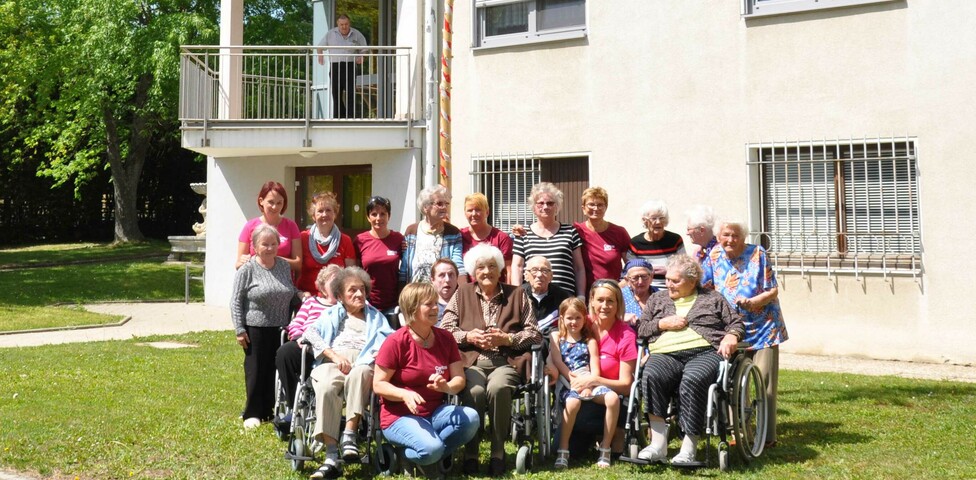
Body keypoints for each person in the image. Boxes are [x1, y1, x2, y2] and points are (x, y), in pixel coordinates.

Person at [439, 244, 542, 476]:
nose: (487, 272)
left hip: (506, 362)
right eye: (481, 267)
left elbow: (535, 333)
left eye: (492, 266)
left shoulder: (517, 294)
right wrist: (468, 336)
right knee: (473, 391)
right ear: (474, 271)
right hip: (471, 362)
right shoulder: (462, 292)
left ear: (500, 270)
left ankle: (498, 452)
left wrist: (507, 339)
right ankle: (471, 453)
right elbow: (445, 329)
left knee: (498, 388)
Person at [636, 254, 744, 464]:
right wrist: (661, 324)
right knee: (652, 375)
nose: (669, 284)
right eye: (667, 279)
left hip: (704, 352)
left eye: (675, 281)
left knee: (693, 379)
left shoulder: (713, 298)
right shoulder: (657, 299)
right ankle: (658, 444)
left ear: (693, 281)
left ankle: (688, 447)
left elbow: (736, 323)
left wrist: (732, 335)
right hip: (665, 353)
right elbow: (641, 329)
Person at [373, 283, 480, 470]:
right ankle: (418, 454)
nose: (435, 308)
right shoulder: (396, 342)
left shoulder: (446, 338)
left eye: (435, 303)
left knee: (471, 418)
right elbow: (379, 384)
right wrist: (403, 394)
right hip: (399, 416)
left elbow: (459, 379)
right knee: (432, 448)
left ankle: (427, 454)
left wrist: (446, 387)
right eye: (428, 304)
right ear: (412, 309)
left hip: (435, 412)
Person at [701, 220, 788, 449]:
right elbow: (704, 286)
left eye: (735, 235)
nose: (730, 240)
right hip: (731, 329)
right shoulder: (714, 255)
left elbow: (772, 289)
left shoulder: (757, 254)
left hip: (764, 327)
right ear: (719, 237)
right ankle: (739, 433)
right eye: (725, 235)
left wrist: (753, 302)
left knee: (765, 381)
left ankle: (767, 436)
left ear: (743, 237)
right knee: (733, 381)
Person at [303, 267, 394, 479]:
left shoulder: (376, 317)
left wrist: (369, 357)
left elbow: (388, 342)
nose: (359, 294)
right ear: (340, 296)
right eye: (352, 290)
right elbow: (310, 333)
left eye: (362, 289)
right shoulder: (330, 314)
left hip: (363, 361)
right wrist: (334, 356)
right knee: (325, 386)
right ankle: (331, 456)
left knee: (360, 373)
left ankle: (349, 435)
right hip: (333, 360)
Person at [230, 224, 300, 429]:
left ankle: (269, 410)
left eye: (273, 243)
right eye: (265, 244)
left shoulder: (283, 266)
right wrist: (239, 329)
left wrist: (301, 295)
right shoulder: (247, 269)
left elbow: (289, 290)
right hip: (255, 327)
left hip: (282, 327)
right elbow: (236, 300)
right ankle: (252, 412)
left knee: (273, 369)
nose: (270, 248)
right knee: (255, 370)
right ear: (254, 246)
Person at [562, 279, 636, 467]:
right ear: (591, 301)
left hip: (612, 397)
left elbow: (626, 385)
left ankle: (608, 439)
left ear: (618, 303)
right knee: (573, 450)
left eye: (611, 301)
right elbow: (559, 340)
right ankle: (596, 437)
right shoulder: (580, 323)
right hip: (578, 396)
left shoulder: (625, 334)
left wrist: (594, 379)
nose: (605, 306)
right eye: (600, 300)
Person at [549, 298, 614, 469]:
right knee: (573, 401)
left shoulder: (589, 340)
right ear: (561, 318)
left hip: (589, 381)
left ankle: (605, 448)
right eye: (569, 318)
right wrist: (576, 384)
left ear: (585, 318)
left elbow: (595, 367)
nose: (573, 322)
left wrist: (590, 385)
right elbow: (558, 361)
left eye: (578, 317)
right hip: (568, 381)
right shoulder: (556, 337)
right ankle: (564, 450)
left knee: (613, 398)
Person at [274, 265, 341, 421]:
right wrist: (299, 338)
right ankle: (294, 406)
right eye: (334, 280)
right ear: (323, 288)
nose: (338, 283)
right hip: (306, 346)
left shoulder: (346, 305)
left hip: (334, 350)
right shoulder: (311, 302)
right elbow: (296, 323)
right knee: (285, 353)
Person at [511, 182, 587, 298]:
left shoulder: (570, 231)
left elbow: (579, 268)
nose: (545, 207)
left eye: (550, 203)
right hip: (532, 298)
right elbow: (517, 266)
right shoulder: (523, 233)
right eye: (540, 203)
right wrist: (517, 296)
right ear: (533, 207)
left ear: (557, 206)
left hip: (565, 299)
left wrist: (581, 296)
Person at [400, 185, 465, 284]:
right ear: (426, 207)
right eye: (439, 203)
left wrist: (464, 292)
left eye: (446, 204)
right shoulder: (411, 231)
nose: (444, 207)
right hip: (415, 293)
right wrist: (402, 292)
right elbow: (405, 267)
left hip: (442, 293)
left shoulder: (453, 233)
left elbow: (458, 266)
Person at [296, 192, 356, 296]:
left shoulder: (345, 240)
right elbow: (295, 270)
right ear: (313, 216)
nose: (324, 214)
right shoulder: (303, 238)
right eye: (320, 211)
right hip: (307, 298)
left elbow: (350, 275)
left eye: (328, 210)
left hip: (335, 299)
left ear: (335, 214)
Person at [236, 181, 301, 274]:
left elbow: (298, 264)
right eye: (271, 202)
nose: (275, 207)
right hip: (256, 283)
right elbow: (238, 265)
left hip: (285, 284)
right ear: (261, 201)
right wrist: (242, 261)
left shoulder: (291, 226)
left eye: (279, 203)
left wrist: (272, 259)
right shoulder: (249, 226)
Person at [573, 187, 631, 292]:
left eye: (600, 205)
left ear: (606, 207)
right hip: (584, 295)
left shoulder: (619, 232)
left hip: (613, 294)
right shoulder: (576, 231)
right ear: (583, 208)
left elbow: (631, 265)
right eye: (591, 204)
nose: (595, 208)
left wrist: (620, 286)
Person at [354, 196, 404, 314]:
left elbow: (408, 268)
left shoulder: (398, 239)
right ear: (368, 217)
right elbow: (354, 272)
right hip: (367, 304)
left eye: (383, 214)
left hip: (394, 304)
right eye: (374, 214)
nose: (378, 218)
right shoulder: (360, 240)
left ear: (389, 216)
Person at [317, 14, 368, 119]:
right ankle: (338, 115)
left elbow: (364, 49)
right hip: (336, 66)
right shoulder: (331, 34)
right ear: (338, 24)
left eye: (346, 24)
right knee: (336, 93)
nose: (344, 27)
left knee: (350, 93)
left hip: (350, 65)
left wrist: (362, 56)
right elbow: (320, 46)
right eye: (341, 25)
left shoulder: (356, 34)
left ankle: (350, 116)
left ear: (349, 24)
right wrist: (320, 55)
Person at [626, 200, 685, 289]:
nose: (658, 222)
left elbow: (684, 267)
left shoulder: (675, 240)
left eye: (661, 218)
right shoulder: (636, 243)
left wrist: (668, 271)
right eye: (653, 218)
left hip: (672, 288)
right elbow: (631, 272)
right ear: (645, 221)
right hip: (645, 290)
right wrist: (647, 271)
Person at [460, 193, 513, 280]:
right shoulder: (460, 236)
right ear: (465, 213)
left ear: (487, 212)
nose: (474, 214)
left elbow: (508, 271)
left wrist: (510, 292)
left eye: (478, 210)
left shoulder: (501, 238)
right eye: (470, 210)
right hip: (469, 291)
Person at [520, 255, 571, 332]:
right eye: (534, 270)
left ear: (551, 276)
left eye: (544, 270)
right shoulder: (517, 296)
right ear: (526, 275)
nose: (539, 275)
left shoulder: (563, 298)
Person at [621, 258, 657, 327]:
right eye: (635, 278)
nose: (640, 282)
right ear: (627, 280)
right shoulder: (619, 296)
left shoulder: (660, 295)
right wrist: (621, 317)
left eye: (644, 276)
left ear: (651, 277)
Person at [430, 258, 459, 325]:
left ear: (457, 278)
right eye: (442, 275)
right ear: (432, 279)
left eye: (451, 275)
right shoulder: (426, 306)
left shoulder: (466, 303)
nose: (447, 280)